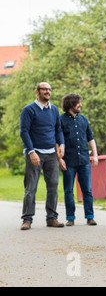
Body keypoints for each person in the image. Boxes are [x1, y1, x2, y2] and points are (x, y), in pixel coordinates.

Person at [19, 82, 65, 230]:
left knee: (53, 187)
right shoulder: (29, 110)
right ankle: (27, 219)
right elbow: (24, 132)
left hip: (51, 154)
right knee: (31, 188)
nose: (47, 92)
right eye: (44, 89)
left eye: (49, 89)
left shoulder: (54, 110)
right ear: (37, 91)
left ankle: (52, 218)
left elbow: (58, 129)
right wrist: (31, 151)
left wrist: (61, 144)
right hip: (35, 153)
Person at [58, 93, 98, 226]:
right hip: (68, 161)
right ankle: (70, 217)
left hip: (84, 161)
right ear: (70, 104)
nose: (80, 105)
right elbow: (57, 140)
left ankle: (90, 216)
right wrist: (59, 158)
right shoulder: (61, 120)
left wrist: (95, 155)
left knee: (87, 189)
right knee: (68, 190)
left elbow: (90, 138)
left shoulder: (84, 119)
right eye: (78, 103)